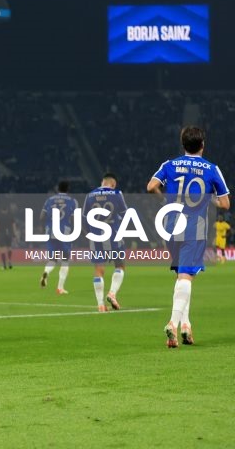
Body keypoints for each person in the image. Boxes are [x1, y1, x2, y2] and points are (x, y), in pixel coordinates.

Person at [147, 126, 229, 348]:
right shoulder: (212, 169)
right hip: (194, 228)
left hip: (171, 226)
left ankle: (186, 325)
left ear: (183, 144)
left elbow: (151, 186)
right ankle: (173, 324)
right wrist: (208, 199)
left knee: (182, 276)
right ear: (202, 145)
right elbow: (225, 203)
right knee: (186, 276)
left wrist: (164, 201)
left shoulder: (170, 164)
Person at [83, 173, 127, 312]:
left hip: (96, 237)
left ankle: (101, 305)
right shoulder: (117, 193)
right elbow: (125, 214)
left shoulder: (90, 195)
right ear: (113, 184)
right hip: (113, 235)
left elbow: (84, 219)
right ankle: (112, 293)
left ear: (102, 182)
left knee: (98, 269)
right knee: (120, 265)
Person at [40, 181, 78, 294]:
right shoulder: (72, 201)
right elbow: (74, 219)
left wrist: (44, 229)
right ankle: (60, 288)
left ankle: (46, 272)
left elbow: (41, 217)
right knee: (65, 260)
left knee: (53, 259)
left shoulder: (49, 200)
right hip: (64, 232)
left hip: (50, 232)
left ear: (58, 188)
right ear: (68, 189)